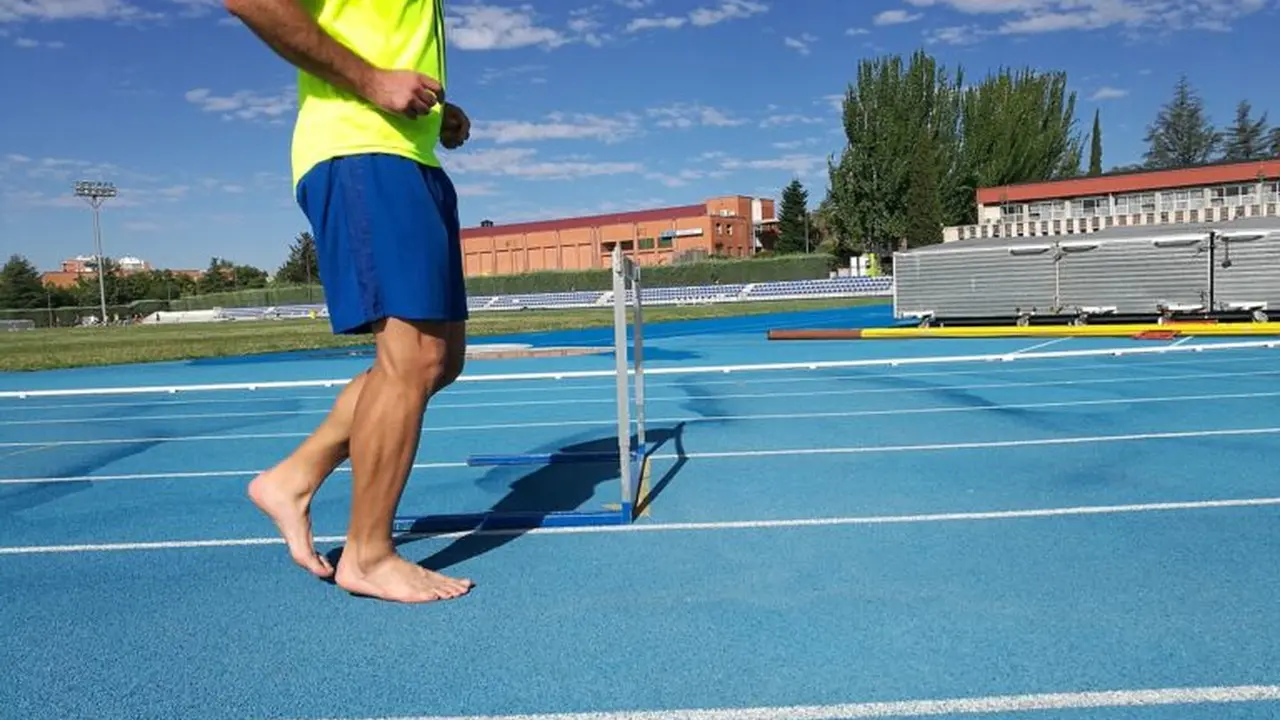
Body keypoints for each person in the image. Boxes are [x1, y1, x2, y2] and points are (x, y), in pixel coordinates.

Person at [225, 0, 475, 604]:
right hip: (362, 151)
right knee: (411, 360)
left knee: (441, 361)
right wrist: (373, 82)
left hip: (409, 155)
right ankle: (367, 554)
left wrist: (436, 112)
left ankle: (294, 477)